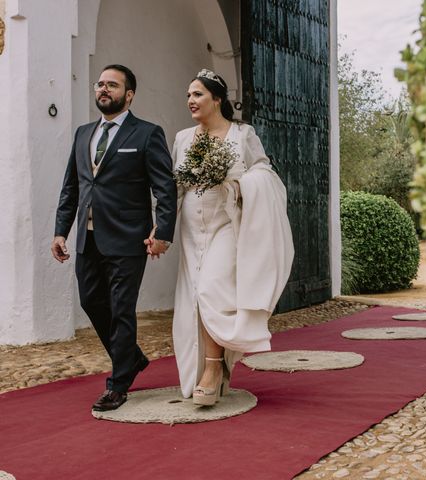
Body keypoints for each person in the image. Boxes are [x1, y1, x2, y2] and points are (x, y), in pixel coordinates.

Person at [161, 69, 293, 405]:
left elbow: (264, 172)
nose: (190, 100)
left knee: (211, 290)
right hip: (192, 229)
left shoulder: (242, 134)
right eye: (188, 95)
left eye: (197, 94)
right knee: (192, 300)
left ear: (216, 99)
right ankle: (209, 370)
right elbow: (174, 190)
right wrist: (159, 230)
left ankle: (213, 369)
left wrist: (238, 183)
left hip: (226, 224)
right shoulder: (182, 138)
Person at [52, 64, 177, 411]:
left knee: (122, 309)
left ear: (129, 94)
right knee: (91, 301)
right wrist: (61, 231)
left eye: (112, 85)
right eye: (100, 84)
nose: (103, 90)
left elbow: (165, 188)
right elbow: (72, 187)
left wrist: (163, 232)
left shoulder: (147, 134)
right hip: (87, 239)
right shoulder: (82, 134)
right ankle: (132, 358)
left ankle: (118, 383)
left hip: (129, 238)